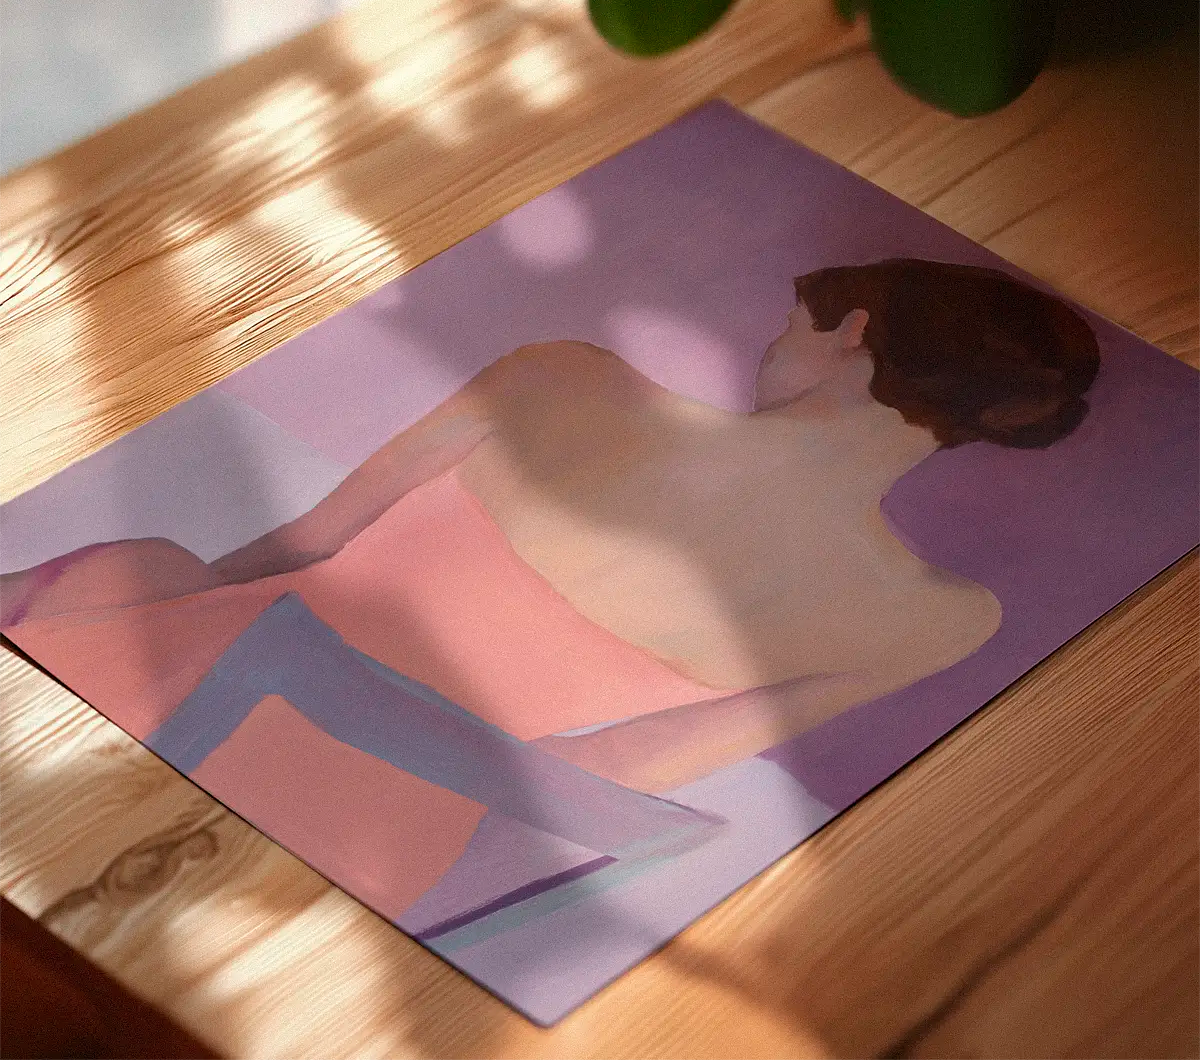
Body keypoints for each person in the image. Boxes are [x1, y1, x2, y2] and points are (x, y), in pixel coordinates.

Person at [3, 258, 1100, 798]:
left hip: (193, 690)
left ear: (849, 323)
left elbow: (305, 543)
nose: (775, 343)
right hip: (389, 813)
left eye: (789, 324)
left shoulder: (569, 379)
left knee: (153, 564)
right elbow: (617, 771)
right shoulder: (934, 621)